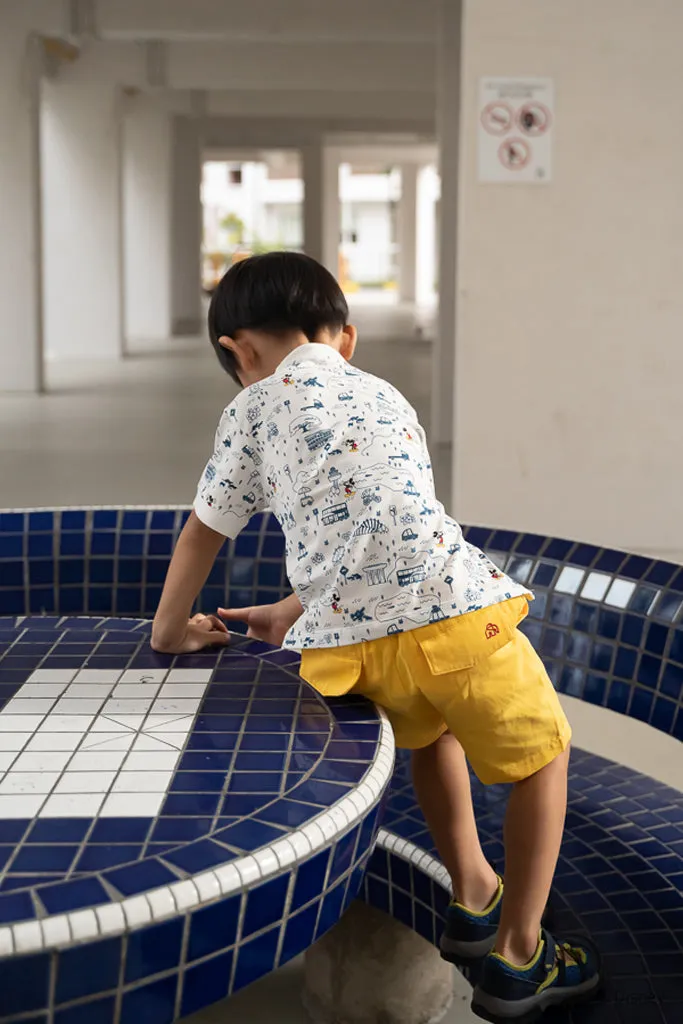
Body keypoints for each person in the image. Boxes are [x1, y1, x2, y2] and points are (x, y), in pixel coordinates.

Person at [152, 252, 601, 1023]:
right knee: (541, 759)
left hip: (351, 653)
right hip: (456, 620)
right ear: (345, 338)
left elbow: (209, 531)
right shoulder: (384, 395)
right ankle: (522, 956)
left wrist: (181, 627)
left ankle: (471, 892)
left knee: (433, 739)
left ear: (236, 350)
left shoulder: (250, 410)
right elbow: (394, 527)